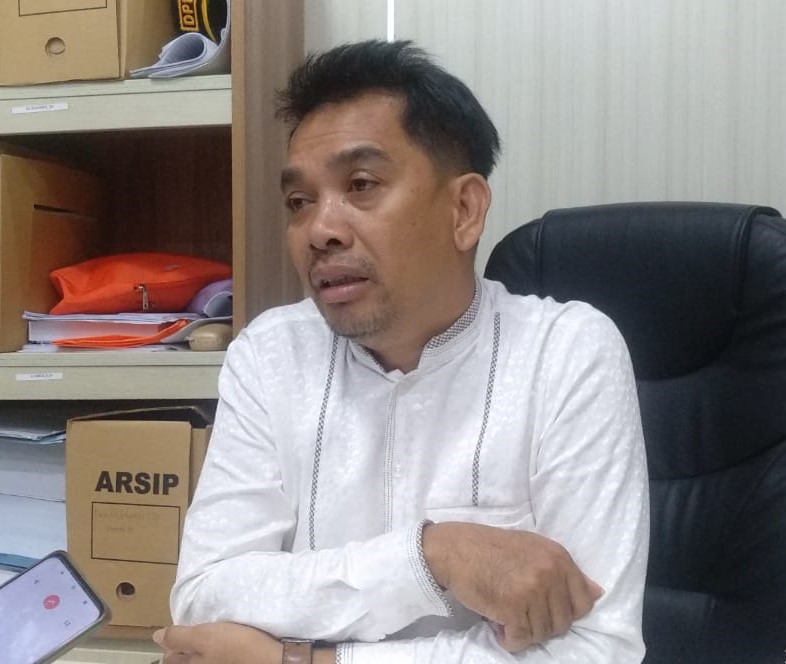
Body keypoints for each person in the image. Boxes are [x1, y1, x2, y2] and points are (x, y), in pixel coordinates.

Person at [154, 39, 649, 663]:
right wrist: (433, 555)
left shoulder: (566, 353)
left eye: (361, 185)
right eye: (299, 202)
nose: (320, 230)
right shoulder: (271, 355)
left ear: (464, 210)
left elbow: (596, 650)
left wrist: (307, 661)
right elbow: (204, 598)